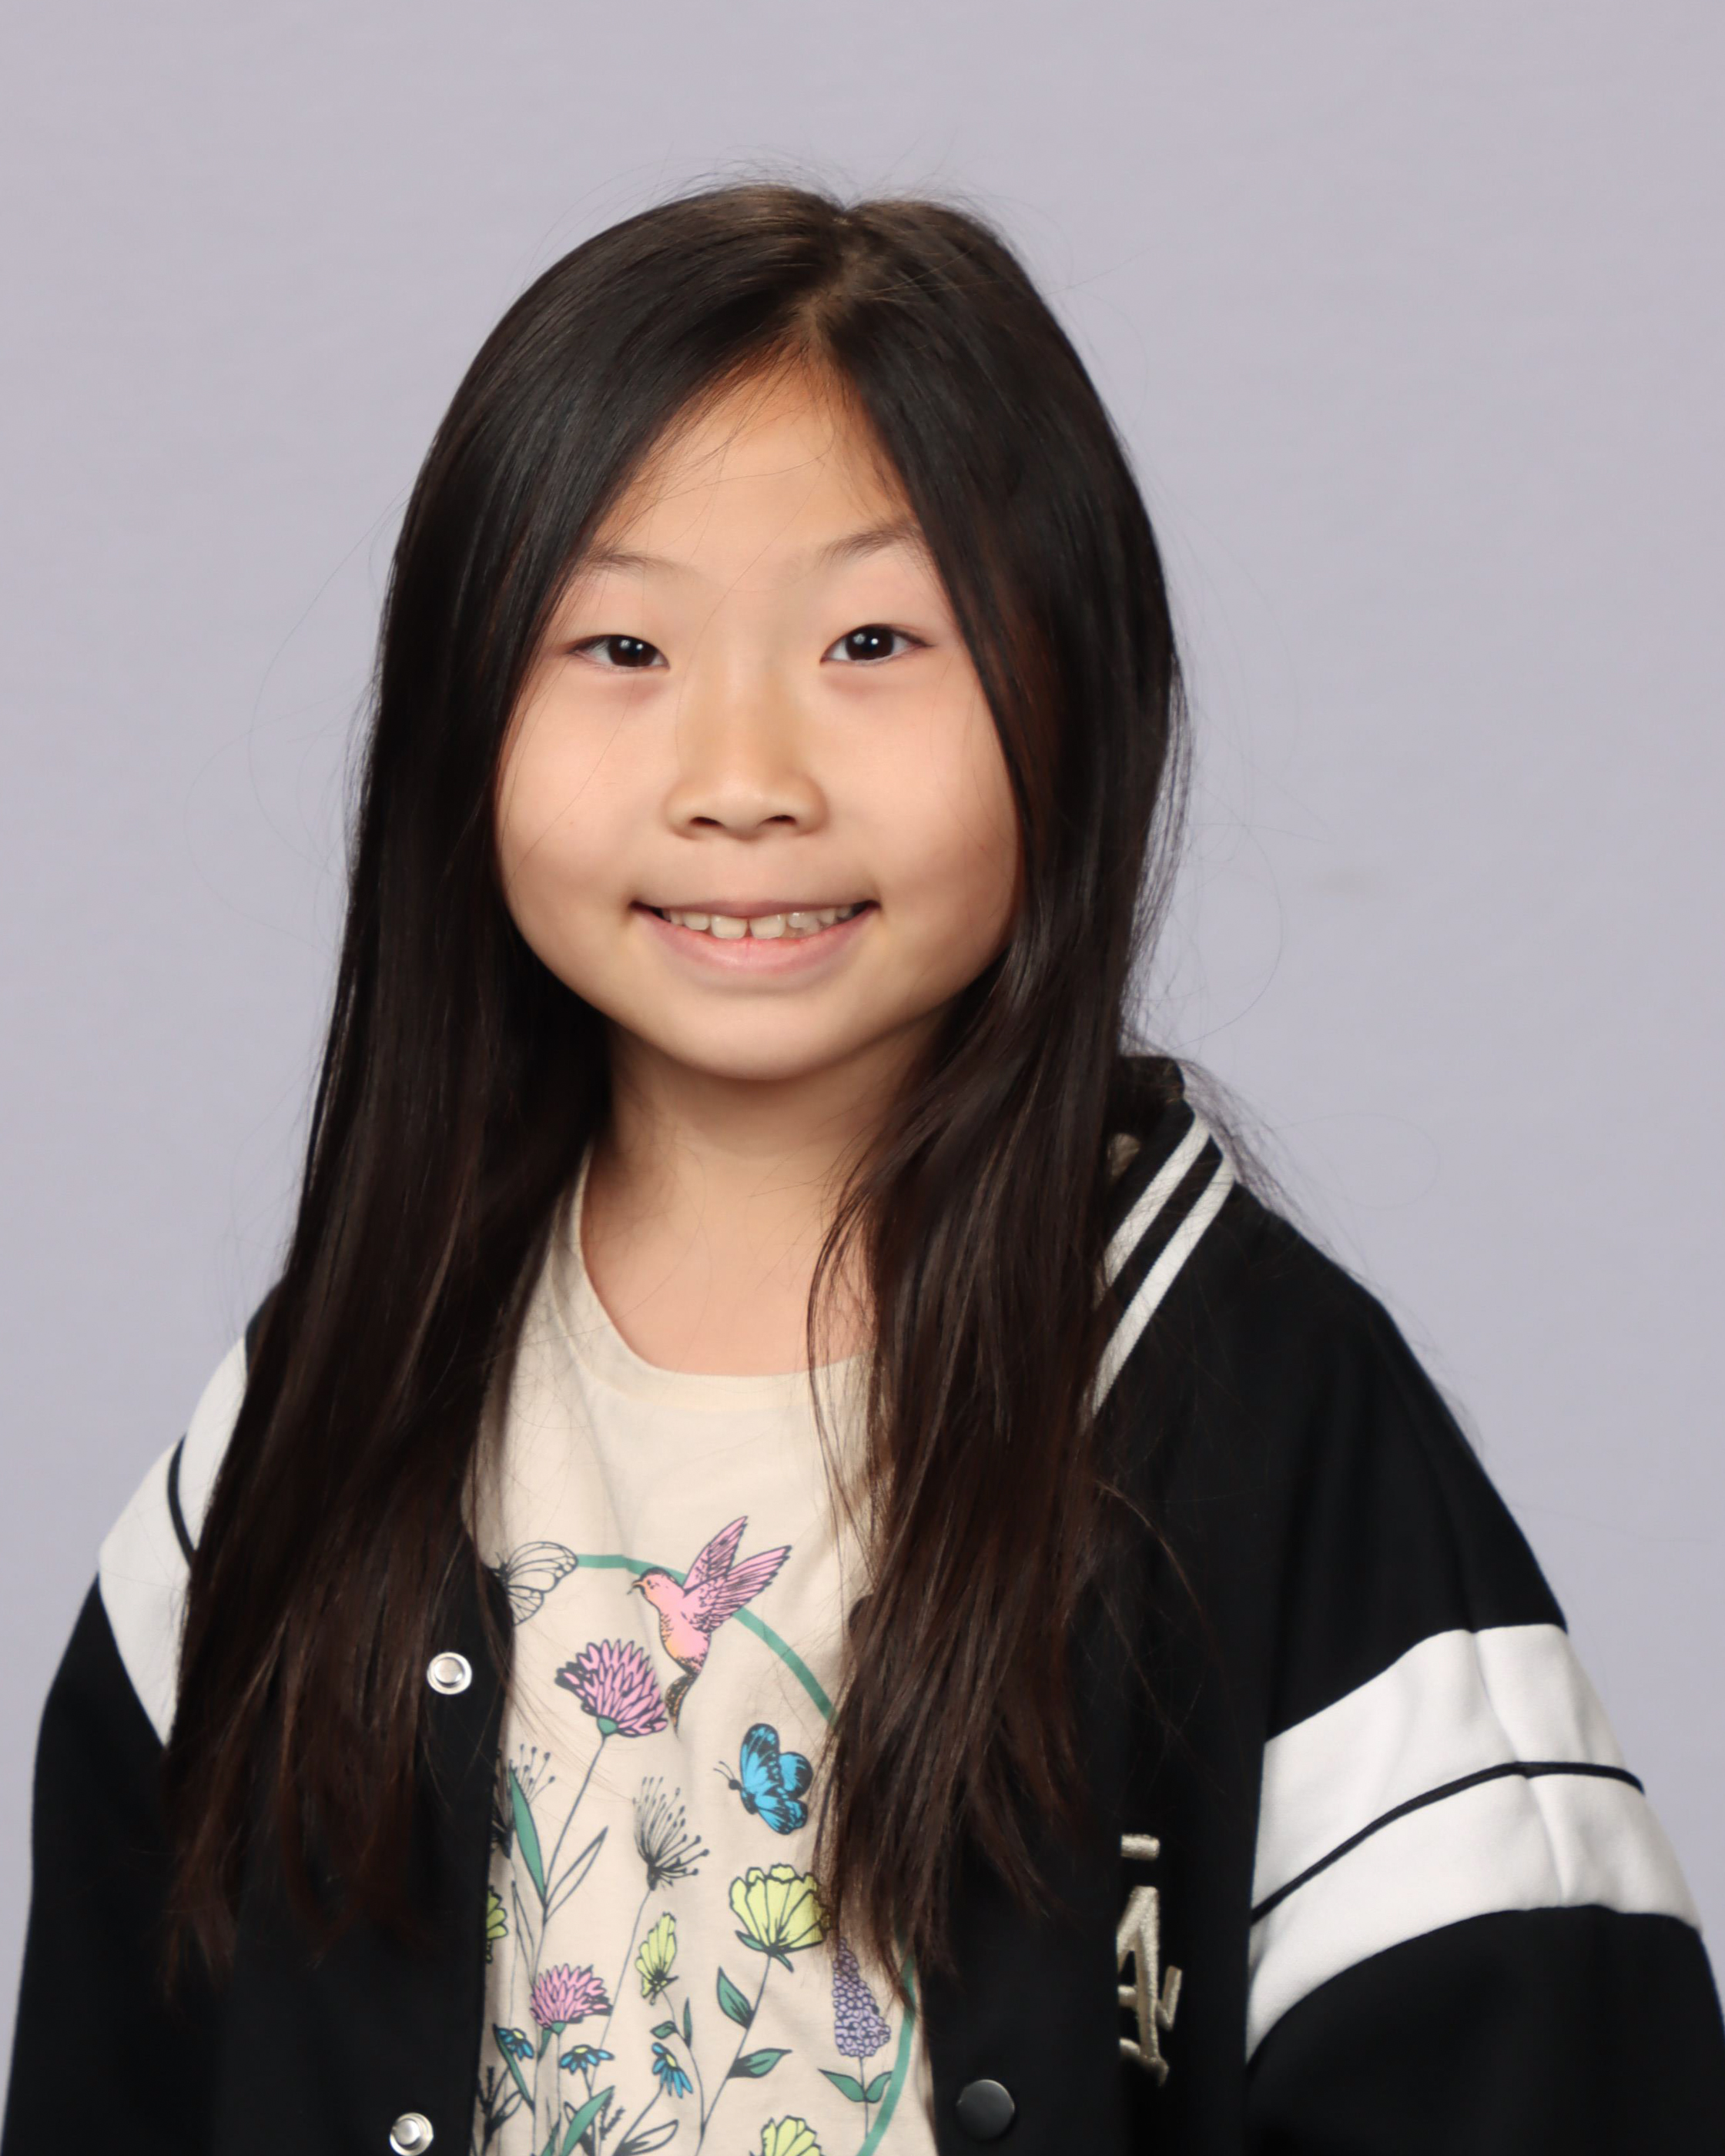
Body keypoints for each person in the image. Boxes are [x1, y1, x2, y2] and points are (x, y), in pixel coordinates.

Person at [2, 178, 1721, 2156]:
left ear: (1079, 697)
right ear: (459, 717)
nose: (744, 775)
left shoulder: (1261, 1420)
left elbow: (1539, 2069)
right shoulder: (320, 1412)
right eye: (621, 641)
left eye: (873, 638)